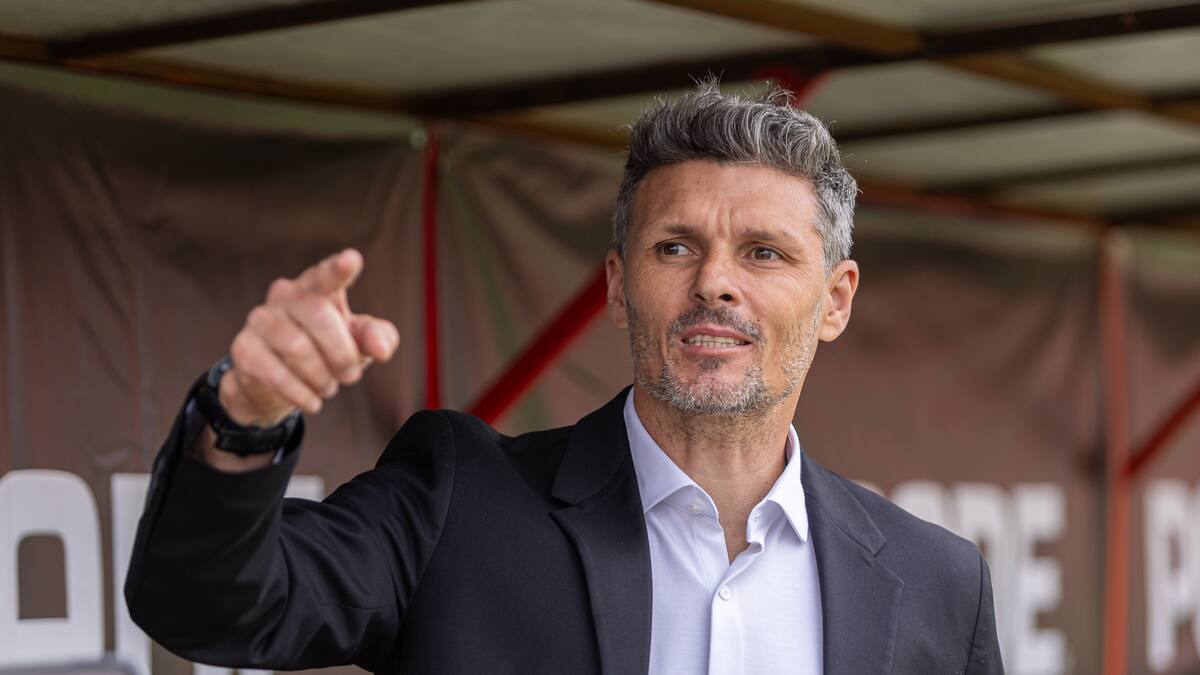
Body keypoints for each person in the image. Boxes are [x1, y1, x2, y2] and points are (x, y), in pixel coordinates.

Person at [126, 81, 1003, 675]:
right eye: (675, 247)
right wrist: (244, 418)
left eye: (764, 252)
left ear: (836, 299)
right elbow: (205, 605)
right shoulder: (455, 502)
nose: (715, 282)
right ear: (619, 288)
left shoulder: (940, 583)